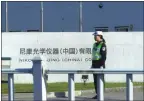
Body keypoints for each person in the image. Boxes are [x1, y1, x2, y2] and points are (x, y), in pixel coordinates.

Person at [91, 31, 107, 99]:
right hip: (94, 63)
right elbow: (94, 55)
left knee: (100, 80)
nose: (94, 37)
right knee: (95, 80)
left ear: (100, 36)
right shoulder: (94, 44)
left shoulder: (103, 45)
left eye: (95, 36)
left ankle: (101, 94)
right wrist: (92, 64)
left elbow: (103, 56)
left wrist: (102, 65)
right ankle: (97, 94)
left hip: (100, 64)